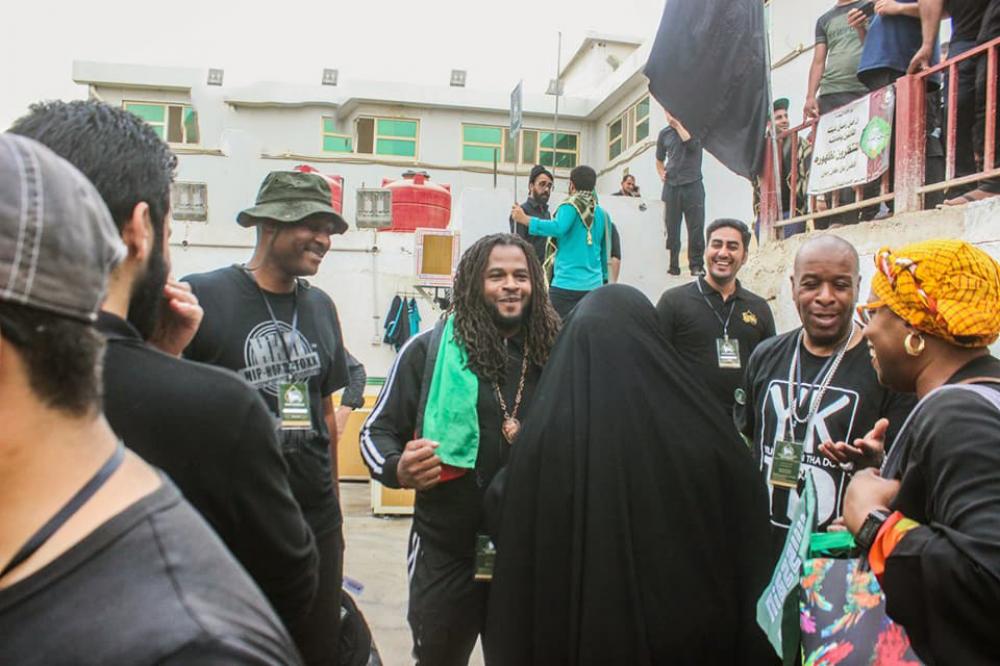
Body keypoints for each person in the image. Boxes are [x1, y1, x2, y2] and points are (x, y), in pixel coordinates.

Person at [8, 99, 322, 647]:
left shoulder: (317, 308)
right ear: (140, 229)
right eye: (170, 227)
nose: (322, 239)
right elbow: (290, 584)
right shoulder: (217, 407)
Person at [485, 285, 776, 665]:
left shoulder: (544, 438)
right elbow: (744, 497)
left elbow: (504, 507)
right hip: (682, 637)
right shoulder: (699, 429)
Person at [360, 233, 560, 666]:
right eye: (497, 276)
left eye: (521, 276)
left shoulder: (553, 353)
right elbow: (374, 434)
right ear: (473, 284)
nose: (511, 285)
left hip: (527, 549)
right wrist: (398, 469)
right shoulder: (427, 351)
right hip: (446, 547)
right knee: (438, 657)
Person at [183, 170, 351, 665]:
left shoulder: (320, 307)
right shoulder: (204, 296)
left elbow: (321, 412)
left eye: (329, 229)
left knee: (315, 650)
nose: (323, 239)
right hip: (234, 525)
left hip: (314, 523)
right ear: (269, 225)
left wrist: (334, 516)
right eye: (311, 224)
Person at [837, 239, 1000, 663]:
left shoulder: (957, 413)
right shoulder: (982, 394)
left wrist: (873, 525)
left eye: (874, 312)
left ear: (914, 329)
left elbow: (987, 580)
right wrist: (899, 479)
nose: (867, 329)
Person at [735, 235, 916, 563]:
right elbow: (751, 438)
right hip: (764, 550)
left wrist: (879, 464)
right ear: (793, 287)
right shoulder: (765, 356)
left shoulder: (885, 369)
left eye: (840, 285)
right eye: (811, 284)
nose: (825, 297)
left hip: (838, 563)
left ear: (858, 286)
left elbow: (908, 476)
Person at [656, 219, 776, 414]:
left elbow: (770, 368)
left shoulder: (759, 307)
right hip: (689, 423)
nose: (723, 253)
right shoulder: (674, 302)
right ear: (705, 250)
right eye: (717, 244)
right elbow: (655, 364)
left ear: (744, 256)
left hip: (741, 427)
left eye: (732, 247)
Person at [850, 0, 947, 212]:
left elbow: (943, 9)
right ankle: (897, 202)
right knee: (886, 140)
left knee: (920, 134)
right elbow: (877, 37)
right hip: (879, 67)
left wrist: (899, 8)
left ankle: (929, 200)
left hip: (907, 61)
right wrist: (861, 28)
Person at [909, 0, 990, 200]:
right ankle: (963, 183)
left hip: (992, 27)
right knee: (956, 109)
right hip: (965, 35)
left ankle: (991, 180)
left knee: (988, 104)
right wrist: (927, 44)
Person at [511, 165, 610, 318]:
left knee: (556, 332)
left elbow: (558, 228)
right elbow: (605, 253)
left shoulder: (570, 207)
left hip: (566, 285)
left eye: (549, 185)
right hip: (594, 287)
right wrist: (604, 281)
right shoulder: (602, 214)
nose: (546, 189)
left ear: (572, 185)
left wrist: (526, 220)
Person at [656, 110, 705, 276]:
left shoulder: (695, 127)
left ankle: (696, 264)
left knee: (696, 226)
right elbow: (659, 158)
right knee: (671, 227)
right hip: (671, 186)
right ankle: (672, 264)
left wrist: (677, 125)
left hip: (693, 184)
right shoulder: (664, 134)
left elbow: (692, 145)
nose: (669, 114)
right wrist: (661, 171)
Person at [805, 0, 871, 119]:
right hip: (831, 91)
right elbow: (818, 62)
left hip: (864, 86)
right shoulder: (823, 20)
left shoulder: (869, 7)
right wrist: (810, 96)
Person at [508, 164, 553, 264]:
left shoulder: (547, 213)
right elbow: (518, 249)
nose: (546, 189)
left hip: (546, 273)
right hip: (530, 271)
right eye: (542, 184)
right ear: (531, 186)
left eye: (549, 186)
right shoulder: (520, 212)